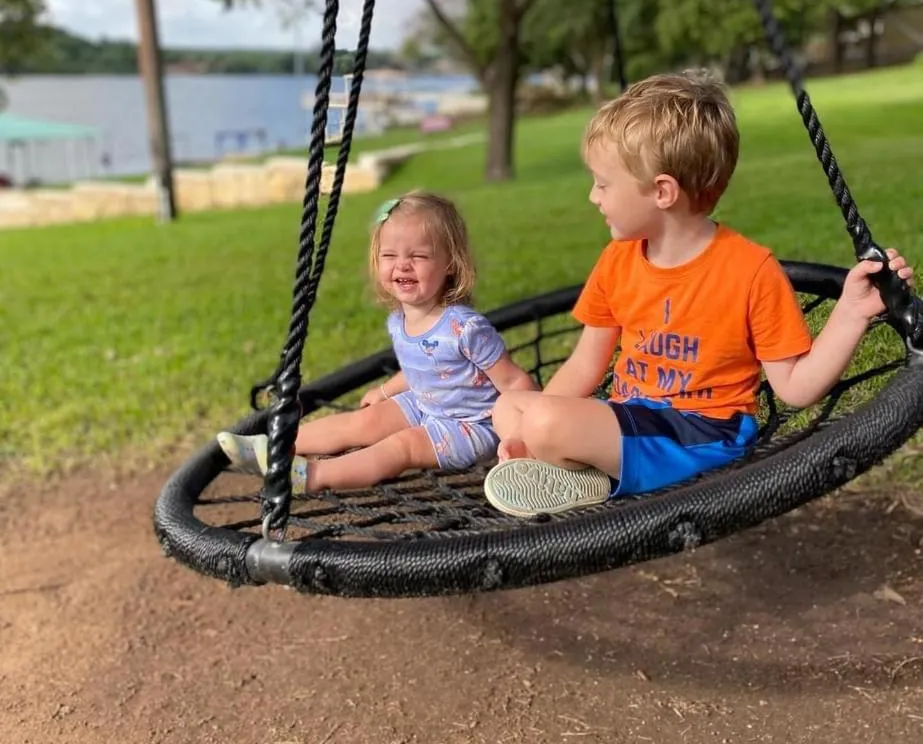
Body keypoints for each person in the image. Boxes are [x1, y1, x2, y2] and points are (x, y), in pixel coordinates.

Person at [482, 72, 914, 518]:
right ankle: (582, 469)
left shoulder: (750, 271)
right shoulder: (618, 259)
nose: (593, 196)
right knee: (511, 407)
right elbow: (584, 365)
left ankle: (582, 466)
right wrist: (532, 428)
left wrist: (851, 312)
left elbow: (796, 387)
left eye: (603, 184)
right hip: (634, 418)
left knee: (543, 421)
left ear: (662, 192)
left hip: (702, 434)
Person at [218, 190, 536, 493]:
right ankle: (276, 445)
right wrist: (385, 391)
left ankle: (311, 476)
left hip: (472, 425)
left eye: (419, 255)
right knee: (366, 421)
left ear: (450, 263)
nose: (402, 265)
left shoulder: (465, 328)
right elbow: (424, 369)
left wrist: (526, 435)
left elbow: (515, 381)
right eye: (389, 255)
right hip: (426, 405)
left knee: (402, 447)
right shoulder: (399, 320)